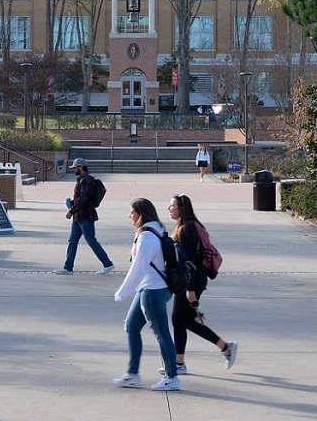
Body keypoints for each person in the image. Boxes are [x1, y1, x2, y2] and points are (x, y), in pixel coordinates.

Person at [160, 193, 237, 376]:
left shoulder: (187, 229)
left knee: (178, 320)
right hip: (194, 280)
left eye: (172, 205)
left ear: (181, 208)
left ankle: (179, 364)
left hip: (191, 281)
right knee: (186, 321)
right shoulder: (189, 226)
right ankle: (226, 347)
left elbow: (190, 263)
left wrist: (190, 290)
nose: (169, 209)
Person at [113, 198, 181, 391]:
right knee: (131, 326)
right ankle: (132, 374)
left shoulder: (146, 237)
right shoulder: (154, 230)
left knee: (161, 334)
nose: (129, 215)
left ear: (141, 214)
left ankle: (172, 377)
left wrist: (122, 292)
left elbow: (138, 268)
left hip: (153, 290)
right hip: (149, 288)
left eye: (132, 212)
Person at [53, 158, 114, 275]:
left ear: (80, 167)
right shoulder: (83, 180)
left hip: (85, 215)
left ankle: (107, 264)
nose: (74, 170)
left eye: (75, 168)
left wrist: (71, 210)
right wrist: (72, 203)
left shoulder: (86, 180)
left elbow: (84, 199)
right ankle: (68, 267)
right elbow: (81, 198)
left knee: (91, 240)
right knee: (72, 240)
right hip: (79, 216)